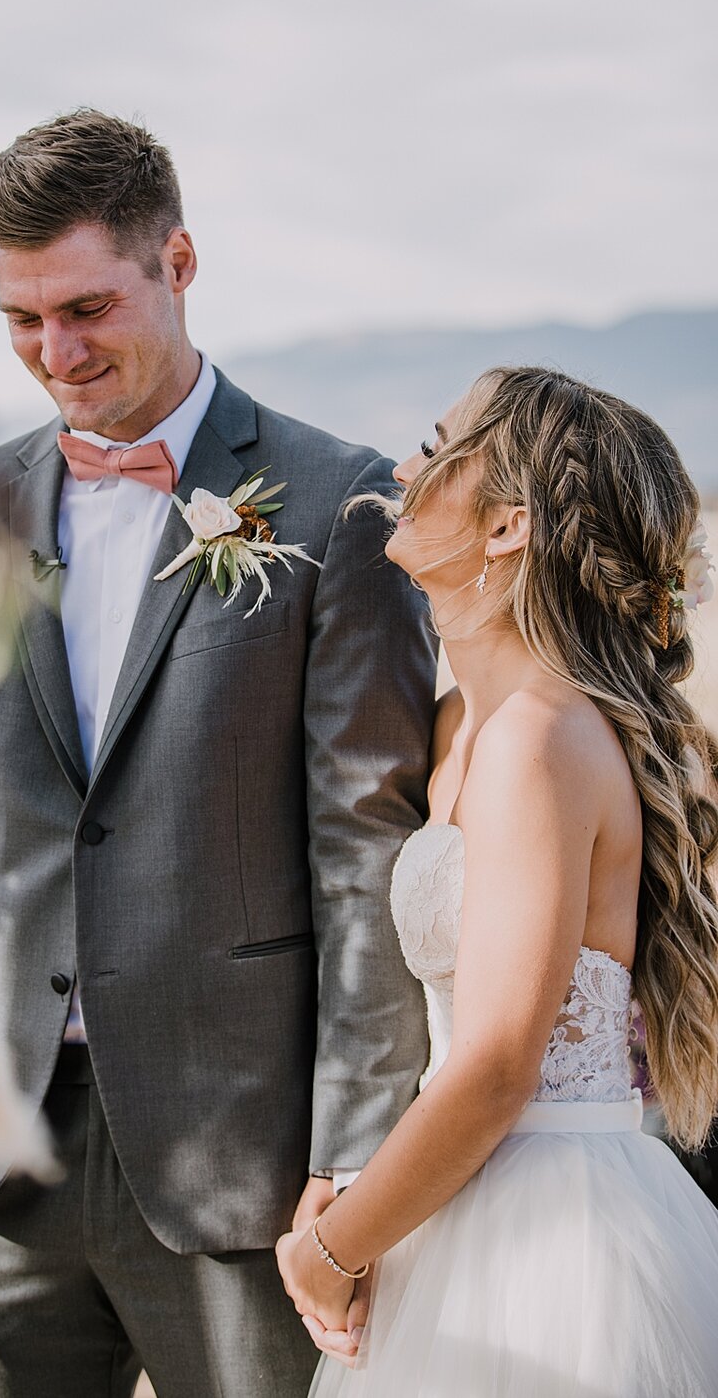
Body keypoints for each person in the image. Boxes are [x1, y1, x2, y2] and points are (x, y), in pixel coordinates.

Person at [0, 109, 437, 1397]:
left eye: (85, 307)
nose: (54, 353)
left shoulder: (337, 502)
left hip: (242, 1168)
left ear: (178, 264)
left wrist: (350, 1163)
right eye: (20, 319)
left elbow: (364, 860)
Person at [276, 366, 718, 1397]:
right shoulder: (465, 723)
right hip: (457, 1199)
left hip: (547, 1236)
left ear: (508, 526)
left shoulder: (535, 742)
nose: (402, 469)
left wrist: (329, 1251)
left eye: (437, 448)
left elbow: (495, 1068)